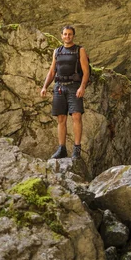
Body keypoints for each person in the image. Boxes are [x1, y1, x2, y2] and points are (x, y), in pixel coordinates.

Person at [40, 25, 90, 159]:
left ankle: (76, 149)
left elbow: (86, 72)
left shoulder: (80, 50)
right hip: (59, 87)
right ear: (61, 36)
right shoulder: (57, 51)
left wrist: (82, 87)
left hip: (74, 86)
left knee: (76, 116)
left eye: (70, 34)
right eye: (65, 34)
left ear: (73, 36)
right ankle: (62, 149)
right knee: (61, 118)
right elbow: (52, 71)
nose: (67, 36)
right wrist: (45, 86)